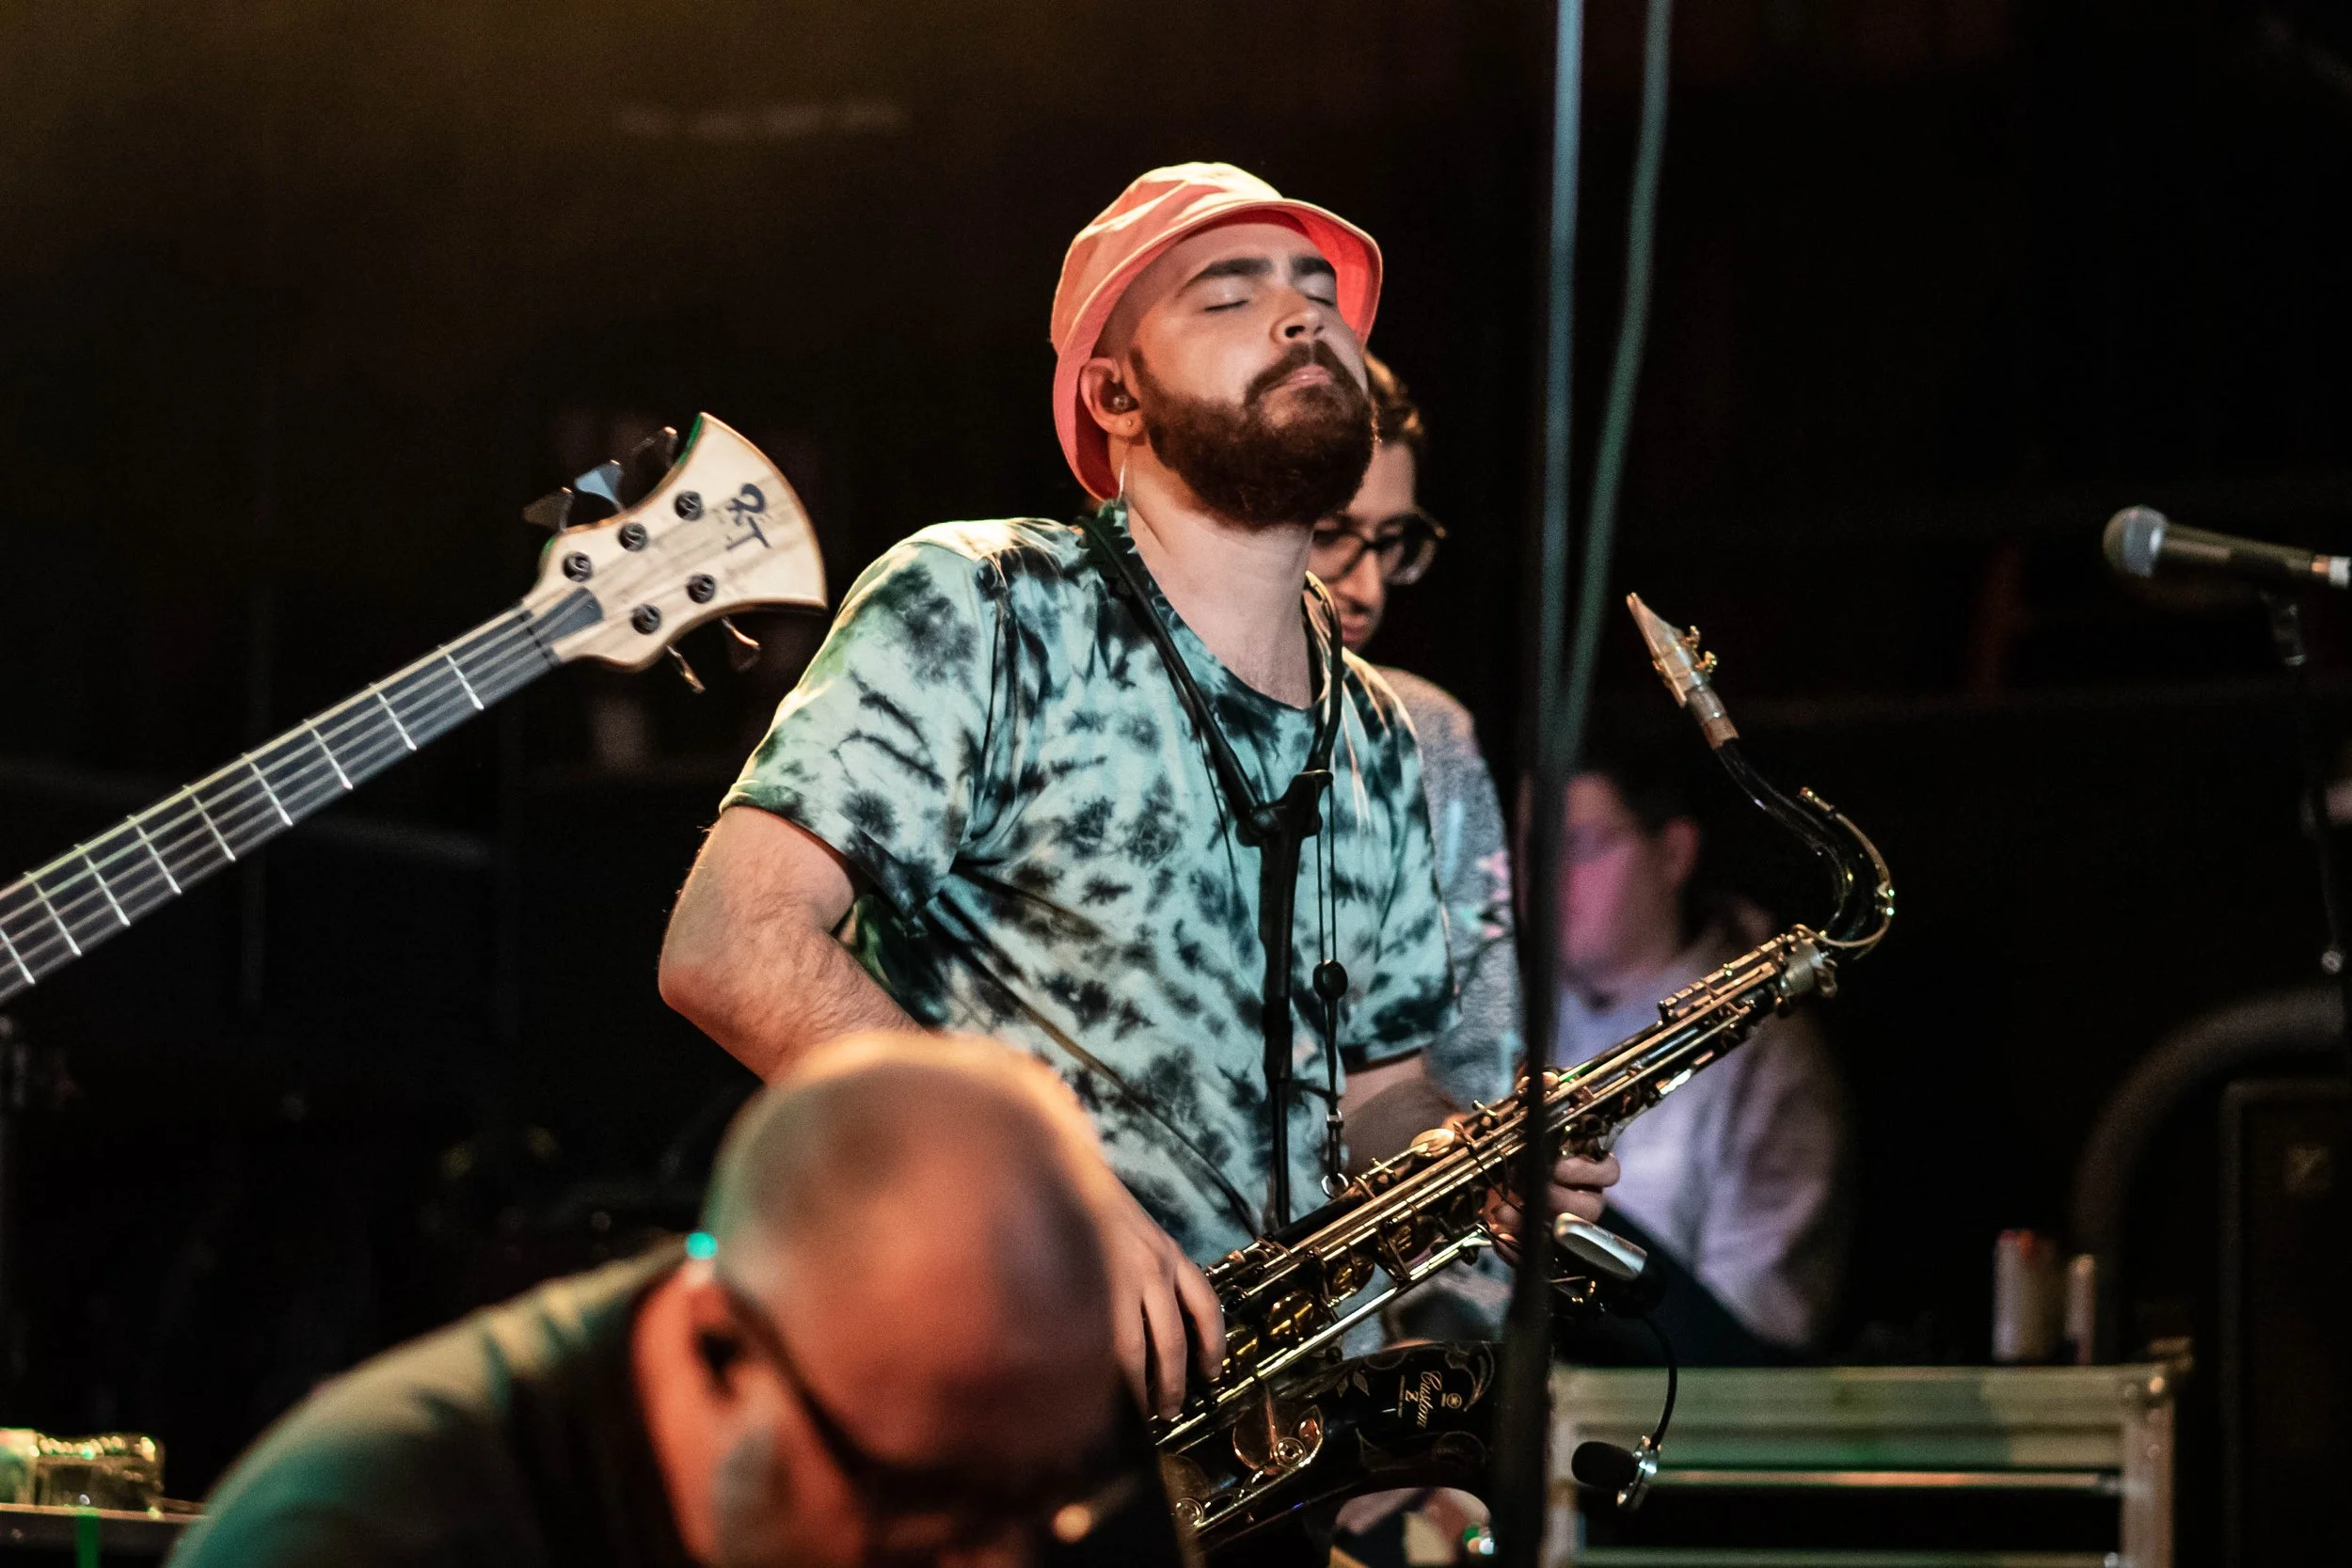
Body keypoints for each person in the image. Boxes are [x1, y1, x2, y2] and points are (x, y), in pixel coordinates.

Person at [659, 163, 1618, 1418]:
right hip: (978, 1388)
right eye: (1229, 294)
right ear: (1115, 393)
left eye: (1317, 293)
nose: (1301, 314)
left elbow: (1377, 1090)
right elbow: (729, 942)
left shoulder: (1381, 729)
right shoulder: (988, 600)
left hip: (1252, 1434)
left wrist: (1465, 1155)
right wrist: (1041, 1189)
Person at [168, 1033, 1164, 1568]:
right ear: (718, 1346)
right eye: (921, 1503)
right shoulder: (360, 1537)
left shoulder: (933, 1426)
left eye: (1039, 1500)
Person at [1550, 742, 1850, 1357]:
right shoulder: (1511, 1021)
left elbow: (1750, 1343)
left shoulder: (1766, 1052)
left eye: (1580, 845)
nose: (1547, 878)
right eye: (1532, 847)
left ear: (1673, 853)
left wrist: (1564, 1230)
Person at [1309, 354, 1518, 1121]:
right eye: (1331, 534)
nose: (1367, 587)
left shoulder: (1429, 730)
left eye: (1392, 540)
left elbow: (1481, 1048)